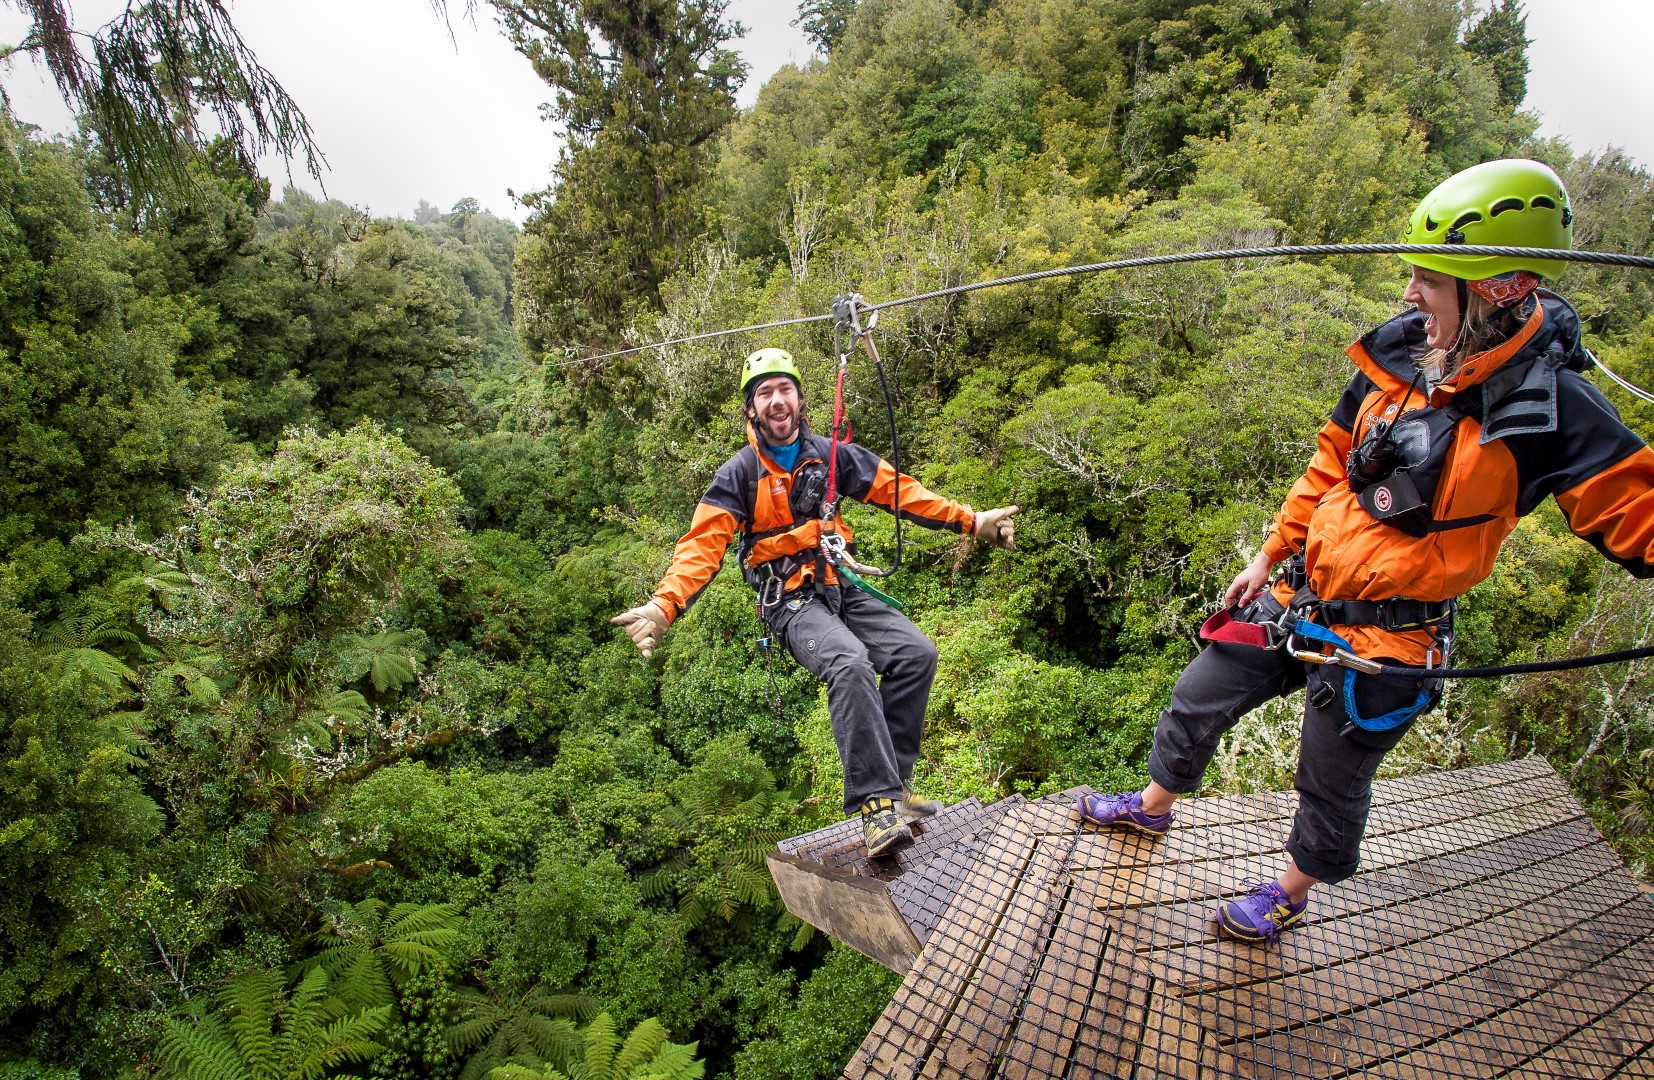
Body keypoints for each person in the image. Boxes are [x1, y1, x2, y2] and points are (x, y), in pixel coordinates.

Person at [1077, 158, 1654, 943]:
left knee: (1332, 780)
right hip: (1306, 593)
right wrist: (1269, 552)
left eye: (1430, 278)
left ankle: (1290, 892)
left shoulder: (1553, 412)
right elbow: (1330, 461)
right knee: (1199, 693)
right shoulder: (1402, 353)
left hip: (1392, 634)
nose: (1412, 293)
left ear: (1503, 287)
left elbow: (1636, 511)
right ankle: (1151, 811)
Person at [611, 348, 1020, 857]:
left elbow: (899, 491)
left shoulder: (830, 457)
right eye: (764, 393)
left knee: (916, 654)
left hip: (838, 583)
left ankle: (896, 789)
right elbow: (702, 545)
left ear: (800, 400)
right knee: (850, 664)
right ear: (751, 410)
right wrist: (663, 606)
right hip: (789, 601)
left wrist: (970, 520)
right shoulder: (739, 474)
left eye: (784, 389)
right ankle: (876, 808)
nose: (776, 400)